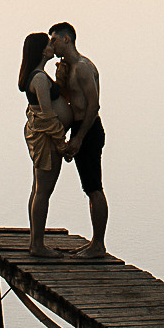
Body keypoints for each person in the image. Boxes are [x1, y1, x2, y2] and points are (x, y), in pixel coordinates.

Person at [49, 21, 108, 258]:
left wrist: (79, 139)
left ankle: (98, 245)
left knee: (94, 187)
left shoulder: (83, 67)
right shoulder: (69, 68)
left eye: (54, 39)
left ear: (66, 39)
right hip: (78, 129)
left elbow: (93, 105)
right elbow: (69, 100)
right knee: (88, 188)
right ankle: (95, 243)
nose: (51, 44)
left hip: (89, 129)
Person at [18, 32, 68, 255]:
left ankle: (35, 242)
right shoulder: (38, 78)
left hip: (46, 138)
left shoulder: (40, 76)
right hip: (47, 140)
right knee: (43, 190)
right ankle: (37, 244)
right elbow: (47, 115)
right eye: (49, 43)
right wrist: (62, 143)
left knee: (38, 188)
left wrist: (60, 79)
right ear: (41, 50)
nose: (52, 45)